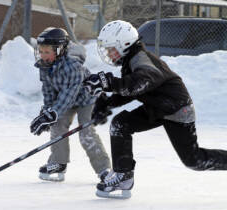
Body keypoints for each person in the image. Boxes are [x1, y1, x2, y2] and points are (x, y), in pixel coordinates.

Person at [83, 20, 227, 199]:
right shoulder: (131, 61)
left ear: (124, 44)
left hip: (176, 110)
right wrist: (107, 103)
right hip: (157, 107)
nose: (108, 53)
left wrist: (109, 83)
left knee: (194, 160)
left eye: (111, 48)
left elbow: (140, 83)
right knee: (121, 124)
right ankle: (123, 176)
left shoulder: (140, 59)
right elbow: (134, 89)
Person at [30, 27, 111, 182]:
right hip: (65, 99)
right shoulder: (44, 66)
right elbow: (48, 93)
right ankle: (58, 163)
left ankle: (103, 168)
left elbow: (68, 95)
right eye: (41, 51)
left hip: (86, 99)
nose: (43, 55)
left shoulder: (72, 67)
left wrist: (53, 113)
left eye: (47, 52)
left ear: (60, 50)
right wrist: (47, 114)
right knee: (57, 125)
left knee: (85, 132)